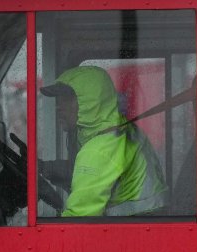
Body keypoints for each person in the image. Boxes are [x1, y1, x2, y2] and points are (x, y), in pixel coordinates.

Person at [39, 66, 167, 217]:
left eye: (67, 99)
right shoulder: (121, 128)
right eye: (58, 99)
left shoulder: (98, 150)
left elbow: (76, 222)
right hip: (151, 222)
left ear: (91, 102)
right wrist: (45, 167)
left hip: (130, 233)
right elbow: (89, 173)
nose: (58, 106)